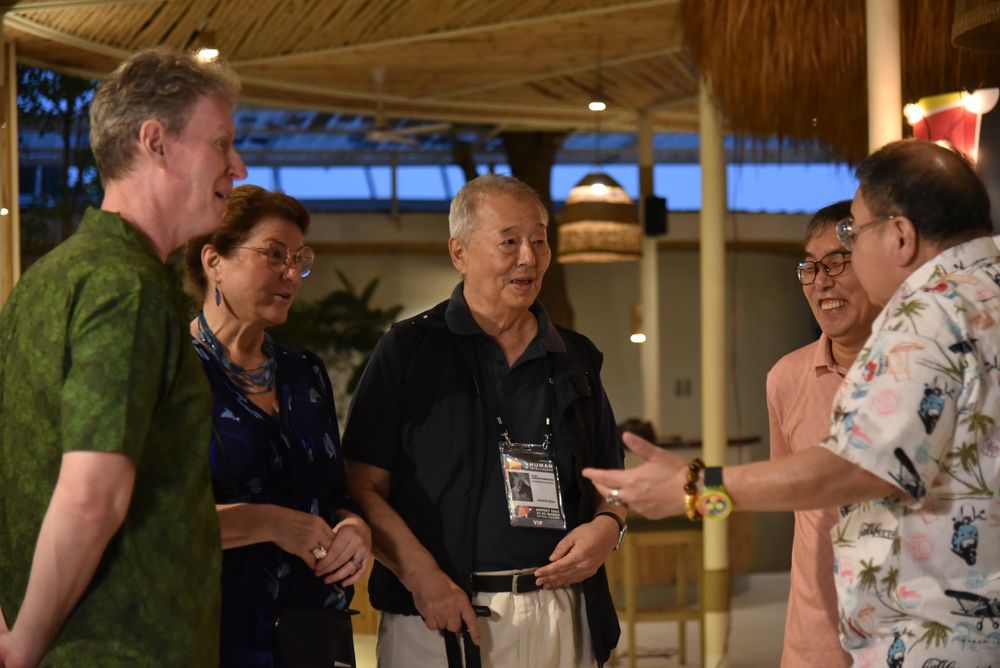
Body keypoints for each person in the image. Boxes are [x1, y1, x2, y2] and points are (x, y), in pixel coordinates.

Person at [584, 140, 1000, 667]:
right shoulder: (984, 291)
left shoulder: (928, 314)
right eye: (812, 266)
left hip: (939, 637)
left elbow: (856, 468)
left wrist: (696, 489)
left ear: (900, 236)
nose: (829, 274)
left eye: (853, 237)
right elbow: (801, 495)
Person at [0, 48, 245, 667]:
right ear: (155, 142)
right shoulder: (127, 287)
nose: (238, 166)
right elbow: (92, 495)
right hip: (124, 647)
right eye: (221, 144)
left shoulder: (47, 279)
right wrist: (21, 647)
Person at [344, 174, 626, 667]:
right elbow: (360, 484)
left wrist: (609, 525)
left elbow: (613, 478)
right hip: (442, 615)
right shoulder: (409, 351)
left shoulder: (575, 356)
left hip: (563, 610)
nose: (528, 257)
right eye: (509, 242)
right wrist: (423, 579)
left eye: (539, 240)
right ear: (459, 252)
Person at [182, 184, 372, 666]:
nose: (292, 273)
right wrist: (273, 523)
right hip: (212, 637)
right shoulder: (171, 374)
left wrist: (355, 528)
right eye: (274, 254)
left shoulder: (304, 372)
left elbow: (334, 493)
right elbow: (150, 520)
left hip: (313, 636)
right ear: (214, 261)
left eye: (299, 259)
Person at [767, 200, 879, 668]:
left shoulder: (918, 367)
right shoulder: (785, 378)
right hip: (816, 633)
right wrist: (700, 490)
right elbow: (786, 490)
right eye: (810, 267)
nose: (821, 281)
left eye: (838, 261)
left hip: (907, 629)